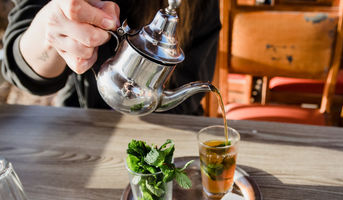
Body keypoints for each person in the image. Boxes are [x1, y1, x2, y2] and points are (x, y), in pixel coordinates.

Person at [1, 0, 221, 115]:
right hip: (83, 119)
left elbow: (191, 90)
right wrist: (47, 34)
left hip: (170, 127)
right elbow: (18, 67)